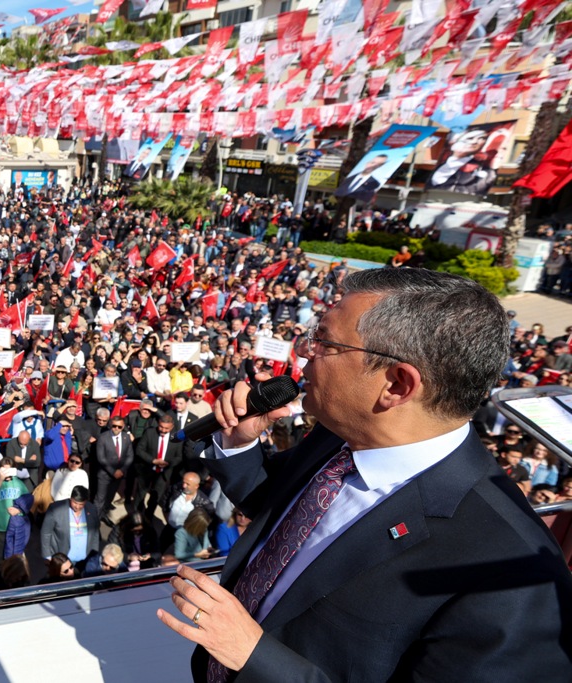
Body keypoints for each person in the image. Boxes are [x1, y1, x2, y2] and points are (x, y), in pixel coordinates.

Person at [158, 268, 572, 681]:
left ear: (396, 384)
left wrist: (255, 655)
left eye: (323, 341)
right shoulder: (341, 432)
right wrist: (239, 444)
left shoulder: (512, 575)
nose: (304, 351)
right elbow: (281, 514)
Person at [0, 459, 30, 573]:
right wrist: (0, 480)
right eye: (4, 469)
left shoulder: (19, 484)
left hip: (13, 530)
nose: (7, 472)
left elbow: (28, 502)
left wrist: (19, 510)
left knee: (9, 562)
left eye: (9, 469)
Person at [40, 486, 100, 571]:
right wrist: (47, 556)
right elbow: (46, 532)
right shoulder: (56, 509)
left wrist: (94, 554)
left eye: (81, 504)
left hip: (85, 560)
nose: (77, 507)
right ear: (70, 498)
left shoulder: (92, 509)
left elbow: (95, 533)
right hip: (63, 560)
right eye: (75, 502)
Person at [135, 414, 183, 518]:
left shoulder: (176, 438)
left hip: (164, 473)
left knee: (155, 497)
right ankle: (136, 515)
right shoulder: (149, 432)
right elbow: (139, 450)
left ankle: (148, 517)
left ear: (172, 427)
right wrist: (153, 460)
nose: (163, 430)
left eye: (166, 428)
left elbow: (179, 457)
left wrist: (168, 463)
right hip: (147, 470)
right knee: (140, 494)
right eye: (161, 427)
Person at [94, 415, 133, 511]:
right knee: (100, 499)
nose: (116, 428)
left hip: (119, 475)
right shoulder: (103, 437)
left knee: (110, 497)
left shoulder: (126, 437)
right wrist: (113, 471)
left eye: (119, 427)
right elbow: (101, 458)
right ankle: (95, 521)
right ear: (110, 425)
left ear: (123, 427)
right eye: (114, 426)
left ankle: (104, 514)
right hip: (105, 474)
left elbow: (130, 456)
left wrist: (122, 470)